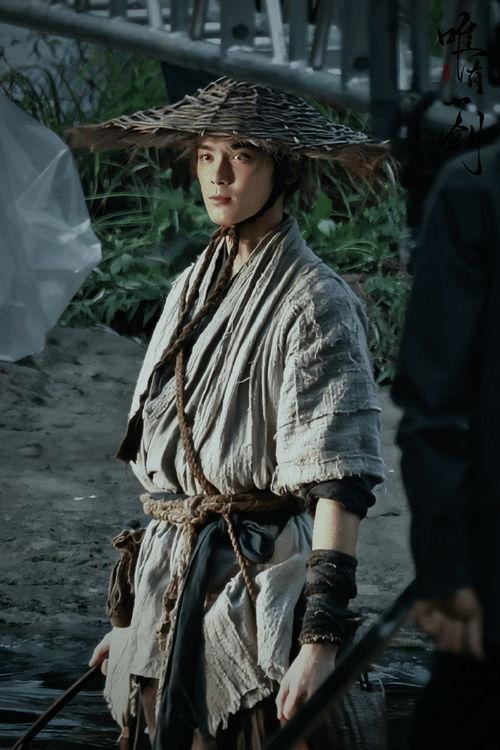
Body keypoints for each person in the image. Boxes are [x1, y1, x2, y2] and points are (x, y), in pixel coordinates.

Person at [70, 76, 386, 749]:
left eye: (241, 155)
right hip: (171, 583)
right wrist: (132, 624)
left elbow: (340, 481)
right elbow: (173, 478)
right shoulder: (192, 284)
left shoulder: (315, 302)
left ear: (284, 170)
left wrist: (320, 642)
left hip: (255, 587)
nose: (218, 175)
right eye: (206, 155)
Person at [392, 140, 500, 749]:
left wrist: (446, 567)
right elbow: (435, 404)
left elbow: (433, 404)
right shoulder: (477, 190)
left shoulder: (476, 187)